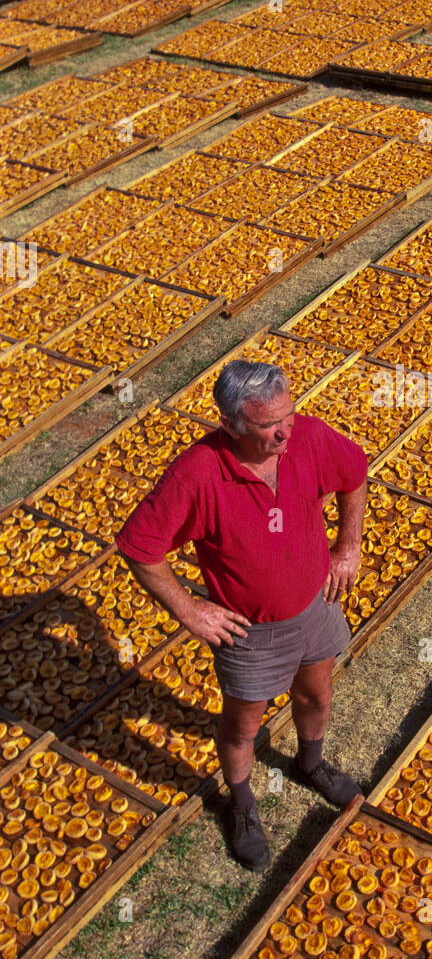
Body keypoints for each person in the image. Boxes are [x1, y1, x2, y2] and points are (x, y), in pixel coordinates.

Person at [115, 359, 368, 871]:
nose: (285, 431)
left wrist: (348, 544)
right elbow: (140, 548)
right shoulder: (198, 474)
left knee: (317, 692)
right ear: (231, 425)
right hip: (251, 631)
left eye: (288, 415)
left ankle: (310, 763)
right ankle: (244, 805)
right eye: (270, 425)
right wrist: (192, 612)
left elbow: (354, 473)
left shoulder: (309, 438)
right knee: (241, 726)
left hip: (314, 608)